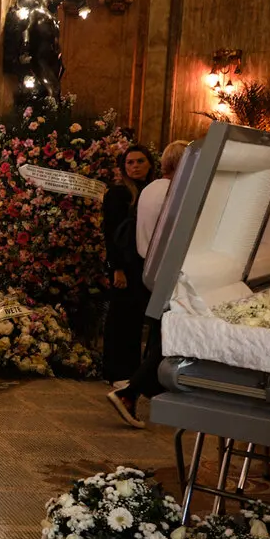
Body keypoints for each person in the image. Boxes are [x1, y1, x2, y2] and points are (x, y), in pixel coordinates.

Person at [105, 140, 188, 429]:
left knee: (158, 335)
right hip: (168, 273)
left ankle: (147, 388)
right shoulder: (172, 191)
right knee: (165, 336)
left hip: (147, 270)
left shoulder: (150, 190)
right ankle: (132, 391)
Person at [100, 144, 156, 384]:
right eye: (130, 162)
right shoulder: (118, 193)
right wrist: (117, 269)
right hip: (125, 265)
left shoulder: (153, 190)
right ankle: (116, 372)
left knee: (135, 320)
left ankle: (132, 371)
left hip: (145, 263)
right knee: (120, 319)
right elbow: (110, 234)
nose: (135, 166)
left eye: (140, 161)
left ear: (150, 164)